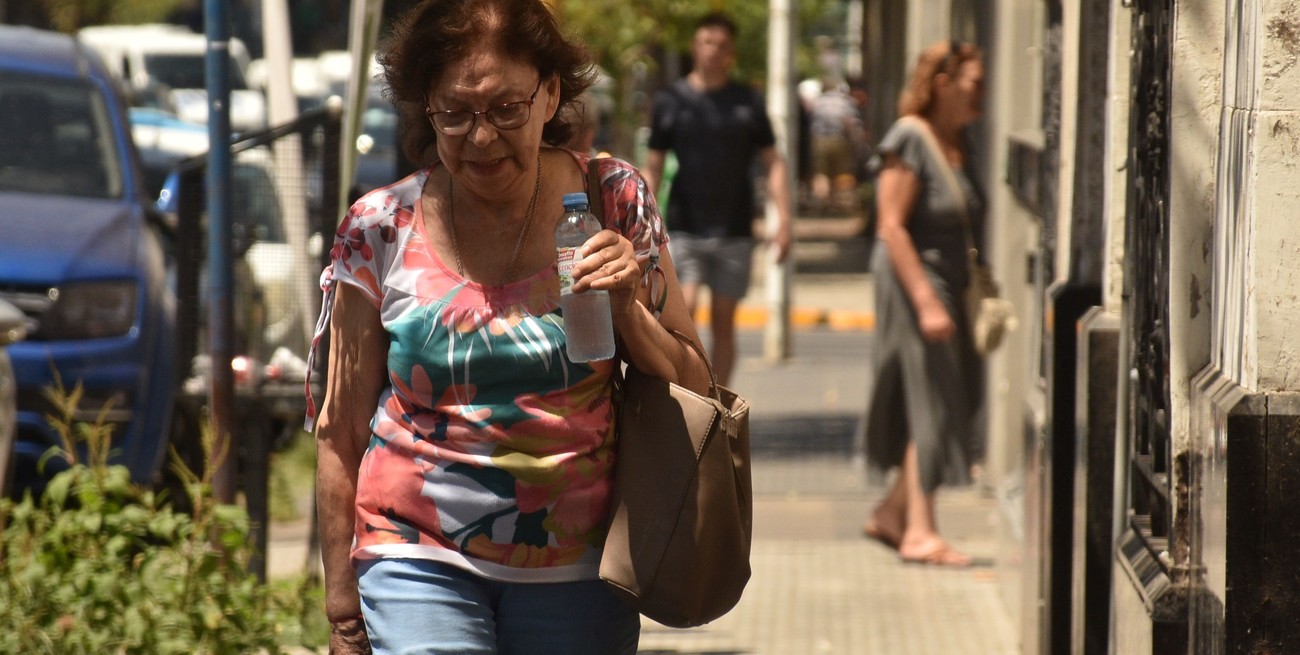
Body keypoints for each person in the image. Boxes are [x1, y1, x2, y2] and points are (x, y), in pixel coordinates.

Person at [306, 1, 710, 652]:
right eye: (455, 114)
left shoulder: (615, 200)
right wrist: (343, 607)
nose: (482, 137)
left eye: (505, 110)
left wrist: (630, 305)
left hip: (581, 564)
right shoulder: (378, 228)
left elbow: (698, 384)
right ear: (425, 109)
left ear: (550, 95)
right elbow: (340, 427)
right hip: (414, 550)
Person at [861, 40, 987, 567]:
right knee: (931, 400)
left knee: (946, 398)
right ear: (942, 82)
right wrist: (925, 302)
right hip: (917, 283)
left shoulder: (958, 140)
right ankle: (919, 530)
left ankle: (893, 513)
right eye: (974, 83)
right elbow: (891, 225)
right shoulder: (910, 138)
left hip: (949, 284)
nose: (981, 93)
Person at [643, 12, 794, 387]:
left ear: (731, 53)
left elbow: (774, 163)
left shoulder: (748, 103)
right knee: (685, 314)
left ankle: (719, 401)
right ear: (695, 47)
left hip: (735, 227)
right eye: (707, 43)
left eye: (722, 45)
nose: (713, 51)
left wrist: (785, 221)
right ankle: (689, 395)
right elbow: (652, 167)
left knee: (724, 323)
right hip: (683, 225)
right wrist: (643, 219)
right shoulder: (671, 100)